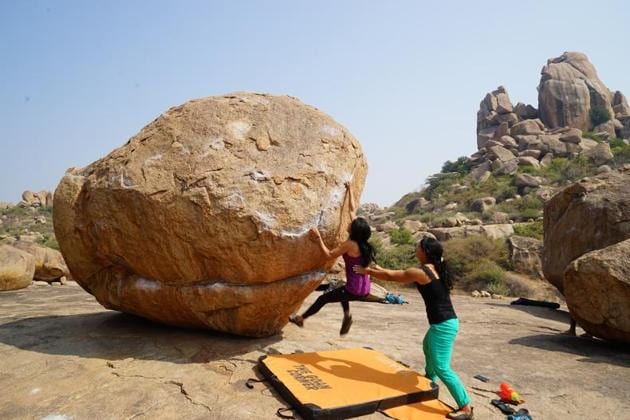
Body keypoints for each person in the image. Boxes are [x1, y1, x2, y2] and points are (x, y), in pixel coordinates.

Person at [354, 236, 474, 420]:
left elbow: (392, 276)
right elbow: (394, 272)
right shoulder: (436, 268)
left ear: (425, 252)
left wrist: (367, 271)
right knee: (427, 346)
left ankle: (465, 408)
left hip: (443, 325)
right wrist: (378, 269)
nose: (415, 248)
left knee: (443, 367)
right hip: (444, 323)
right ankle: (429, 381)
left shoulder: (421, 272)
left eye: (417, 246)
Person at [289, 182, 375, 335]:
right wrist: (349, 190)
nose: (349, 223)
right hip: (365, 288)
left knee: (323, 299)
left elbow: (328, 255)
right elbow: (351, 210)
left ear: (354, 230)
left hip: (354, 290)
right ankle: (347, 315)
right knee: (339, 288)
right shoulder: (363, 243)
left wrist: (318, 239)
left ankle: (301, 318)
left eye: (351, 224)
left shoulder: (350, 244)